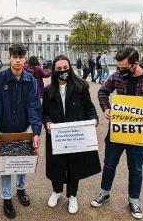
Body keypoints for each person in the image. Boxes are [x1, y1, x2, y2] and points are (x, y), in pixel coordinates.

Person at [91, 47, 143, 219]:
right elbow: (103, 91)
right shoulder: (117, 76)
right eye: (118, 67)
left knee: (135, 168)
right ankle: (104, 192)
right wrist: (106, 108)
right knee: (109, 164)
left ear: (135, 64)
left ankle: (134, 200)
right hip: (117, 132)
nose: (120, 71)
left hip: (140, 134)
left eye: (124, 67)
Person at [0, 43, 42, 219]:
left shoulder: (30, 80)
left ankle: (21, 189)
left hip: (23, 129)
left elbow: (34, 106)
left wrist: (36, 131)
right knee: (5, 166)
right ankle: (7, 198)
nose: (17, 61)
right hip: (3, 130)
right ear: (8, 58)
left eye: (21, 57)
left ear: (25, 59)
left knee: (23, 161)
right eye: (14, 57)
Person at [42, 55, 101, 214]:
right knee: (56, 164)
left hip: (75, 134)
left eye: (65, 68)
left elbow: (89, 107)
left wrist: (94, 119)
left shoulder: (81, 86)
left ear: (70, 67)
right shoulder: (48, 91)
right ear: (54, 70)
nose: (62, 71)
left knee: (75, 164)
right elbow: (45, 113)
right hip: (56, 134)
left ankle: (72, 195)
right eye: (59, 69)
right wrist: (47, 123)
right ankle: (56, 191)